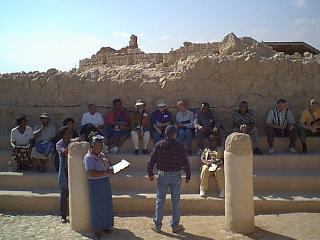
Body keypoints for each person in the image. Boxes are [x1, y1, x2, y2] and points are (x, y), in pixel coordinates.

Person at [148, 125, 191, 233]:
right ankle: (175, 225)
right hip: (175, 175)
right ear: (175, 134)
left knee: (160, 200)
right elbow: (185, 161)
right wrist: (188, 174)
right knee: (175, 201)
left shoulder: (159, 145)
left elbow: (151, 160)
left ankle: (157, 225)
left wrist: (150, 173)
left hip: (162, 175)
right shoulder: (179, 146)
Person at [83, 134, 114, 239]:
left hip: (104, 182)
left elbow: (107, 166)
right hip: (95, 184)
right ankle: (97, 229)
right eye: (99, 147)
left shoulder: (102, 155)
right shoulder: (88, 157)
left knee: (106, 204)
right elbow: (91, 173)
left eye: (102, 146)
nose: (101, 148)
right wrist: (106, 172)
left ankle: (105, 226)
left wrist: (112, 169)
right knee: (97, 207)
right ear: (93, 146)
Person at [199, 129, 224, 198]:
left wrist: (218, 163)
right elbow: (202, 158)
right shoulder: (206, 149)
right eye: (211, 140)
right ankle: (203, 189)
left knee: (219, 171)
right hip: (209, 165)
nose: (212, 142)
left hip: (218, 165)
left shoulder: (220, 149)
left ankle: (222, 189)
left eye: (214, 140)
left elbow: (223, 159)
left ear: (217, 141)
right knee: (204, 169)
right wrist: (207, 163)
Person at [56, 126, 73, 224]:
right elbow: (65, 152)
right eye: (67, 133)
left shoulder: (72, 141)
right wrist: (71, 145)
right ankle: (63, 215)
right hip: (64, 172)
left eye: (70, 133)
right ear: (63, 135)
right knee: (64, 194)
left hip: (73, 171)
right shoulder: (59, 144)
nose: (69, 135)